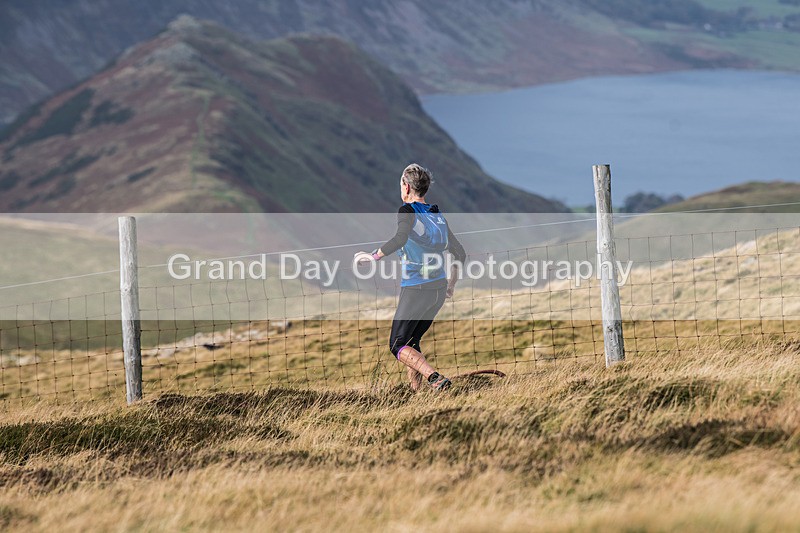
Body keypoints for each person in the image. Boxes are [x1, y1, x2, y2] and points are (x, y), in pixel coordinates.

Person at [355, 163, 466, 391]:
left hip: (417, 288)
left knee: (396, 345)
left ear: (406, 187)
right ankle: (416, 392)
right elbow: (459, 253)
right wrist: (451, 286)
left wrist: (373, 256)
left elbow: (400, 238)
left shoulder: (407, 211)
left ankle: (434, 379)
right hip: (437, 290)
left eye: (400, 185)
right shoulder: (437, 215)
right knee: (411, 342)